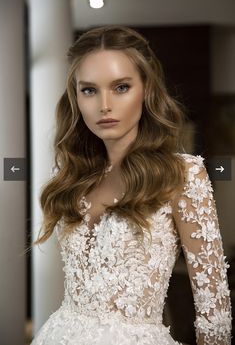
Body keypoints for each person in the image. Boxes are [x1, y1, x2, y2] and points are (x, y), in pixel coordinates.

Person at [29, 25, 232, 345]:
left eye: (120, 87)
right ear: (76, 97)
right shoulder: (74, 175)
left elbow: (213, 310)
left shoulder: (183, 174)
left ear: (146, 89)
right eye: (89, 90)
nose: (104, 105)